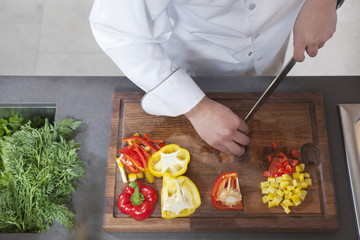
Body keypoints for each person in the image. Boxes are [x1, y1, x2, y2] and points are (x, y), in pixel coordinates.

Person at [89, 0, 341, 156]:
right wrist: (197, 109)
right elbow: (118, 31)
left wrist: (323, 2)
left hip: (277, 32)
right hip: (199, 54)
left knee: (266, 72)